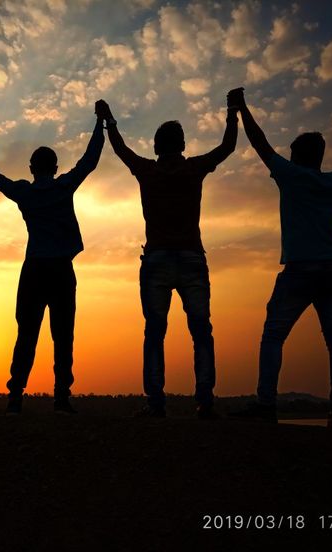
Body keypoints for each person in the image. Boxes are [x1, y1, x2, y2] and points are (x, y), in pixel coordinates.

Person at [96, 94, 239, 419]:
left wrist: (109, 118)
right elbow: (227, 146)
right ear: (183, 144)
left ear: (158, 147)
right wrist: (232, 112)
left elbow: (119, 149)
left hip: (159, 259)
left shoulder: (148, 171)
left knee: (155, 331)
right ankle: (204, 400)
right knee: (201, 329)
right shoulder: (193, 168)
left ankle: (156, 402)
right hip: (190, 257)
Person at [227, 88, 332, 429]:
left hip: (300, 269)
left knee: (273, 335)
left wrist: (241, 108)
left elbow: (259, 143)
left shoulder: (292, 176)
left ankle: (266, 404)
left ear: (297, 157)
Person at [0, 108, 104, 415]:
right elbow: (90, 161)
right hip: (60, 269)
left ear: (32, 168)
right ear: (56, 167)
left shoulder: (24, 192)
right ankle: (61, 397)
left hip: (34, 269)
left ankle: (15, 396)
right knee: (63, 334)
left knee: (27, 333)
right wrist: (100, 124)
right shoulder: (63, 186)